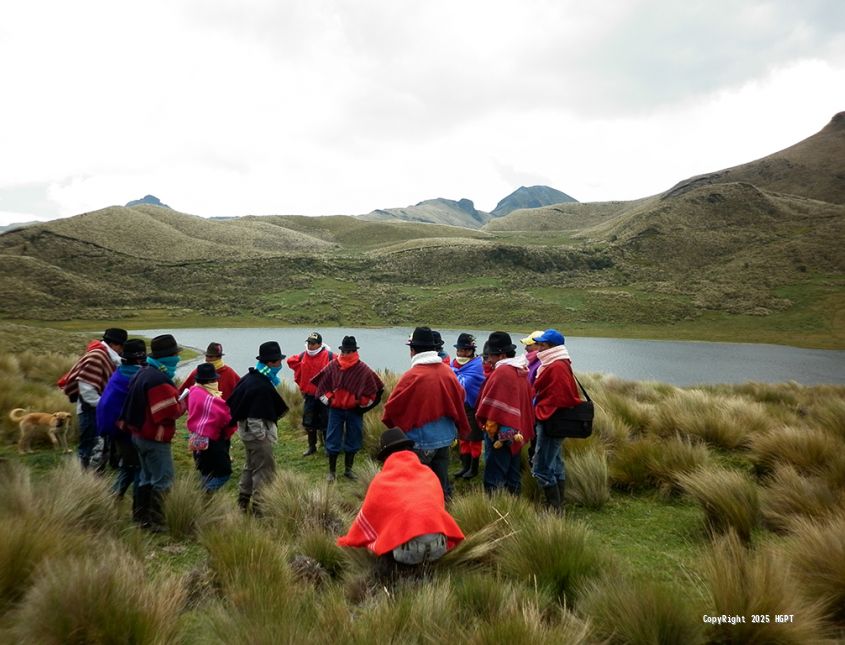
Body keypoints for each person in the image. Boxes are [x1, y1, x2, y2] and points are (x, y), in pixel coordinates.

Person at [337, 428, 464, 576]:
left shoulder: (381, 481)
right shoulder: (428, 473)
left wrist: (348, 540)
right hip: (439, 546)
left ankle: (399, 580)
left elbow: (368, 517)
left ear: (387, 457)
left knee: (385, 544)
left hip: (407, 552)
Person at [382, 326, 470, 499]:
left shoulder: (412, 375)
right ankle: (443, 514)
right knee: (440, 481)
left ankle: (423, 517)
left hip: (420, 442)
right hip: (445, 438)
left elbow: (392, 408)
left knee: (420, 485)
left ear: (413, 350)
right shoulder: (448, 372)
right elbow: (460, 397)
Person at [119, 334, 186, 532]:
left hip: (139, 435)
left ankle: (141, 518)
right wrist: (183, 403)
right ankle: (158, 521)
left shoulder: (144, 372)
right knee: (163, 480)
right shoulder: (159, 380)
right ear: (169, 357)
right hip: (154, 438)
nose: (177, 359)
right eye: (175, 355)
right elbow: (168, 413)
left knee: (146, 478)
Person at [226, 341, 289, 514]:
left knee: (250, 466)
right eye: (278, 362)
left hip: (246, 434)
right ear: (270, 363)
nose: (280, 365)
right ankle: (259, 508)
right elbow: (254, 415)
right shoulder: (260, 385)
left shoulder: (251, 377)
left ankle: (242, 502)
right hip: (256, 437)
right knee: (264, 470)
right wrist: (262, 436)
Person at [311, 336, 383, 482]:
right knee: (332, 439)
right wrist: (329, 400)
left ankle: (348, 471)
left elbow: (376, 388)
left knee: (353, 438)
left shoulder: (362, 368)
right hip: (336, 409)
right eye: (345, 351)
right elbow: (321, 385)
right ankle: (332, 472)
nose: (346, 354)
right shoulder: (333, 365)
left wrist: (362, 408)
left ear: (354, 351)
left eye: (349, 351)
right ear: (342, 350)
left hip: (354, 410)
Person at [475, 332, 535, 496]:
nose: (489, 360)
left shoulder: (503, 372)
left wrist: (490, 427)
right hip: (515, 431)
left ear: (501, 354)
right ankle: (514, 505)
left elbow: (492, 405)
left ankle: (494, 509)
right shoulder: (520, 369)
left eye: (492, 356)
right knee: (512, 472)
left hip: (500, 434)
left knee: (494, 474)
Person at [60, 327, 127, 468]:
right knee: (89, 445)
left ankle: (93, 475)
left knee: (98, 445)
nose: (122, 350)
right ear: (116, 345)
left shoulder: (104, 355)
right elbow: (87, 388)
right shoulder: (97, 356)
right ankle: (83, 477)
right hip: (91, 409)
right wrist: (105, 405)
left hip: (97, 407)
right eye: (122, 346)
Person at [96, 338, 147, 519]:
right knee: (139, 467)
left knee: (128, 465)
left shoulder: (120, 372)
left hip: (112, 427)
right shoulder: (135, 377)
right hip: (124, 430)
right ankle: (139, 510)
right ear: (140, 359)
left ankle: (112, 499)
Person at [531, 329, 581, 512]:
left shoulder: (556, 366)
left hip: (551, 423)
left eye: (542, 344)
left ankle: (554, 509)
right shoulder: (557, 363)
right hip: (555, 422)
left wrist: (540, 411)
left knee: (542, 467)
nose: (538, 348)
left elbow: (562, 398)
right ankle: (559, 505)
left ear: (551, 347)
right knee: (556, 464)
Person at [185, 363, 237, 492]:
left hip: (196, 436)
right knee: (224, 472)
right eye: (214, 379)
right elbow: (225, 415)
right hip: (212, 439)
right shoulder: (208, 398)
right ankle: (205, 494)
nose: (216, 381)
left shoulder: (193, 391)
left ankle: (204, 504)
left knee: (206, 471)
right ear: (208, 381)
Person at [286, 331, 333, 457]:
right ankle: (312, 446)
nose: (310, 346)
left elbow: (340, 366)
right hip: (310, 395)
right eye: (309, 343)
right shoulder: (303, 355)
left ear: (319, 344)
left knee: (326, 421)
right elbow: (291, 361)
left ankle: (328, 447)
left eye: (313, 343)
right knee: (309, 422)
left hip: (324, 396)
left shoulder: (329, 356)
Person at [450, 333, 485, 480]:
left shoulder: (476, 365)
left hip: (473, 406)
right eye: (460, 350)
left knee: (474, 438)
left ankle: (474, 468)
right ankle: (465, 466)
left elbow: (464, 384)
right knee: (463, 436)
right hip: (460, 406)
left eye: (465, 350)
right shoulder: (453, 364)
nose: (462, 353)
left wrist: (453, 378)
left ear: (471, 351)